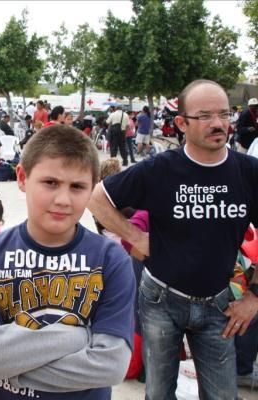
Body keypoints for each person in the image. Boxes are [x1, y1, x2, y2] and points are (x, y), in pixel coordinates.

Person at [89, 79, 258, 400]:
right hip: (159, 301)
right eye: (205, 116)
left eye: (225, 114)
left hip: (219, 304)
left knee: (223, 395)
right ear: (181, 123)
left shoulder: (249, 172)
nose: (219, 123)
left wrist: (255, 297)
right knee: (159, 392)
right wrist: (134, 236)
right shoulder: (160, 169)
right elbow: (97, 198)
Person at [0, 125, 136, 399]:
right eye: (50, 183)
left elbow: (111, 366)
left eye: (77, 187)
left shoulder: (112, 261)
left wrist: (8, 367)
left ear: (92, 189)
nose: (63, 200)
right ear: (22, 177)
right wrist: (77, 337)